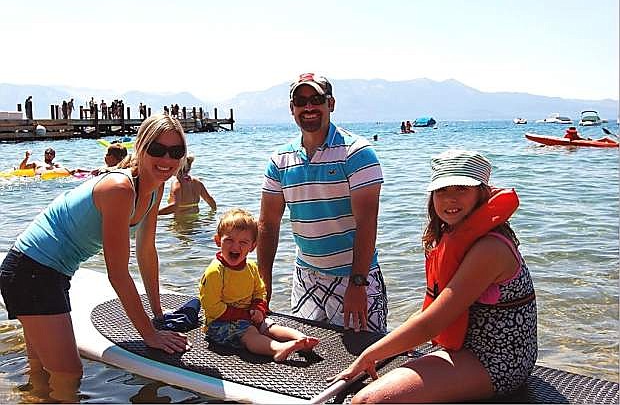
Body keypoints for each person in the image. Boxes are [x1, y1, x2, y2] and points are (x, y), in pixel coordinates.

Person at [0, 114, 190, 402]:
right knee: (68, 374)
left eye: (175, 152)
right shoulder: (120, 188)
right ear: (140, 147)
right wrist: (149, 335)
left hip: (46, 272)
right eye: (157, 149)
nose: (167, 159)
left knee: (42, 373)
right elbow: (117, 273)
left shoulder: (155, 186)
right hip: (32, 272)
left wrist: (158, 314)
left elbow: (146, 252)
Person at [330, 149, 537, 403]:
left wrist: (369, 354)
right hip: (466, 349)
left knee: (368, 402)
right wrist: (382, 351)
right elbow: (431, 311)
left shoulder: (490, 249)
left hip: (498, 360)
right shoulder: (453, 237)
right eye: (442, 191)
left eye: (461, 188)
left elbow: (432, 324)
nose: (450, 199)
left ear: (481, 194)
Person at [257, 73, 388, 333]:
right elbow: (268, 224)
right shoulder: (280, 159)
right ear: (291, 108)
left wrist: (358, 283)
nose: (308, 107)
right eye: (300, 100)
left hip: (354, 277)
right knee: (308, 358)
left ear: (331, 104)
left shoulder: (357, 153)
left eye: (316, 99)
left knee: (364, 359)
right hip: (306, 278)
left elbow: (366, 223)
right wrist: (263, 284)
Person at [199, 208, 319, 361]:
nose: (236, 247)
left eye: (243, 242)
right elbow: (211, 306)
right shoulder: (215, 272)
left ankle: (301, 339)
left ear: (252, 246)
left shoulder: (250, 267)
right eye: (229, 240)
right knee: (250, 333)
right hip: (219, 324)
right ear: (217, 241)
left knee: (269, 325)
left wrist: (258, 307)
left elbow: (259, 290)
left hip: (248, 316)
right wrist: (244, 315)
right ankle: (277, 349)